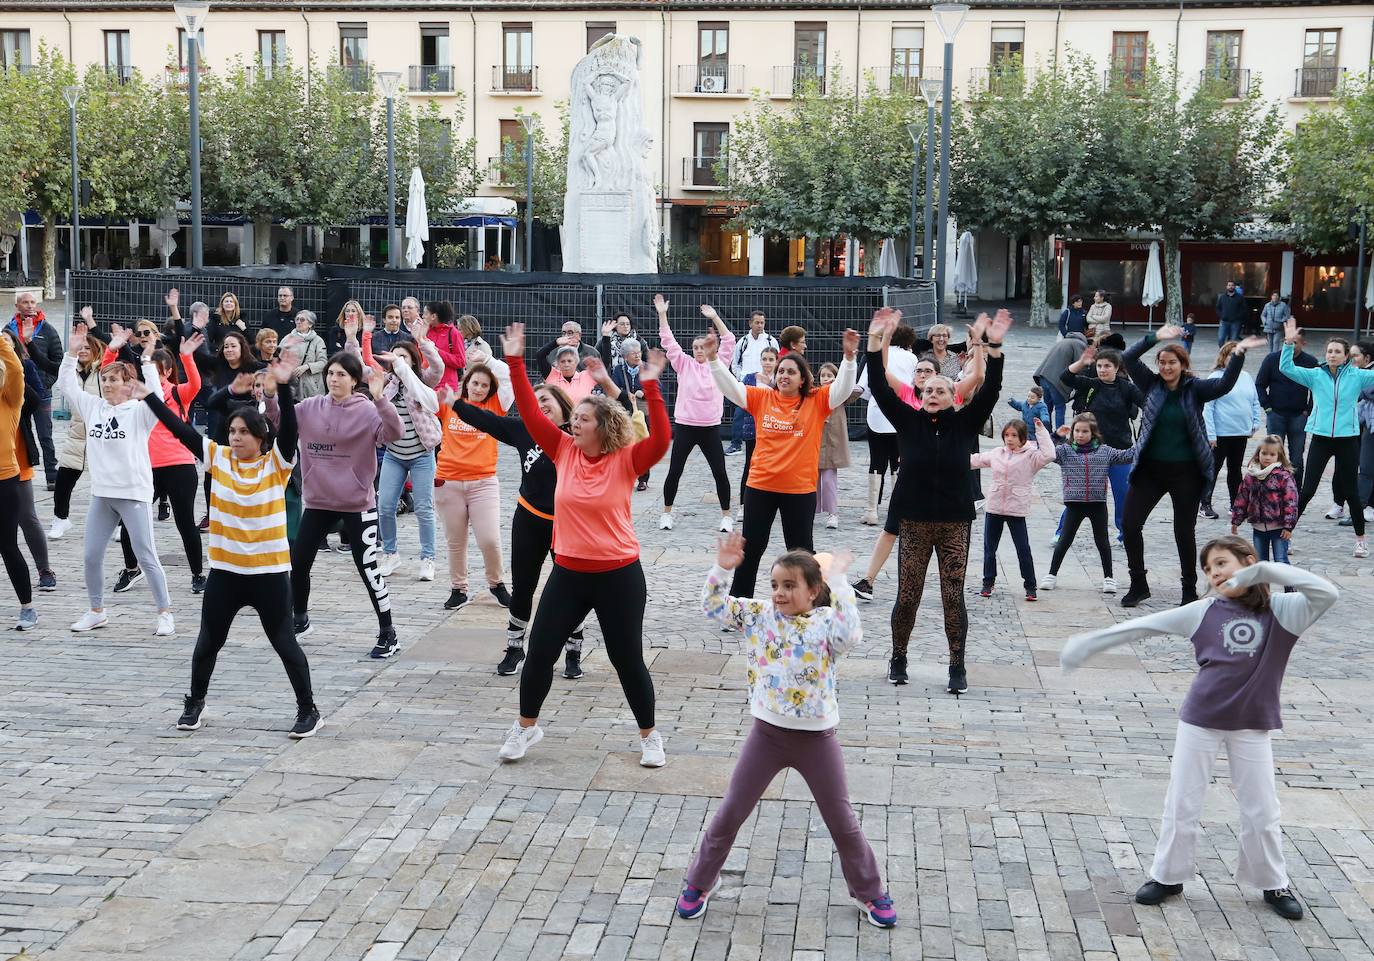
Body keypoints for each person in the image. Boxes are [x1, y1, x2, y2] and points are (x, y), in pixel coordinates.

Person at [1061, 536, 1338, 922]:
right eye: (1208, 569)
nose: (1215, 573)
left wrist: (1266, 572)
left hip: (1252, 724)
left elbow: (1327, 592)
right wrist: (1088, 643)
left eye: (1222, 563)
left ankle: (1273, 882)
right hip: (1200, 720)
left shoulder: (1283, 610)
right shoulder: (1204, 610)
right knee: (1182, 802)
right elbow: (1143, 626)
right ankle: (1167, 876)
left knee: (1262, 808)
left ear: (1248, 561)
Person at [681, 539, 895, 929]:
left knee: (842, 821)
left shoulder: (829, 622)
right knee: (731, 812)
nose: (779, 593)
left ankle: (870, 891)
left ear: (813, 591)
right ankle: (698, 882)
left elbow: (853, 636)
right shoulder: (760, 614)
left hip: (817, 740)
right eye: (775, 584)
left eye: (790, 585)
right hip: (767, 736)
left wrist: (842, 582)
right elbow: (713, 607)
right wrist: (722, 568)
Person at [494, 321, 671, 768]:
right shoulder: (563, 450)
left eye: (583, 419)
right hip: (569, 573)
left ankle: (650, 737)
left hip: (619, 575)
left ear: (603, 426)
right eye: (574, 418)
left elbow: (663, 440)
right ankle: (526, 728)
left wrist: (651, 389)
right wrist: (515, 361)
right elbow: (534, 415)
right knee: (540, 652)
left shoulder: (627, 459)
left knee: (626, 658)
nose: (574, 422)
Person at [134, 358, 320, 739]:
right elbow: (181, 430)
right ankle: (195, 702)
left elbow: (290, 433)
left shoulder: (277, 464)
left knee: (284, 642)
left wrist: (283, 387)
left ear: (260, 437)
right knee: (207, 643)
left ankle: (308, 710)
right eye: (232, 431)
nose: (235, 437)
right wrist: (150, 397)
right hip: (226, 574)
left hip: (268, 575)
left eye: (243, 432)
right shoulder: (217, 459)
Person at [865, 307, 1008, 692]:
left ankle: (956, 666)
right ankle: (898, 657)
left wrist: (993, 346)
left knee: (952, 596)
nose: (931, 394)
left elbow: (991, 388)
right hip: (912, 521)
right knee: (908, 593)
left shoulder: (964, 423)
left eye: (939, 391)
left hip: (953, 522)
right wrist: (875, 339)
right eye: (927, 390)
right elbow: (879, 386)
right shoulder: (908, 421)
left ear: (952, 396)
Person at [444, 380, 590, 679]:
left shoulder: (577, 434)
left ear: (563, 403)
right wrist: (455, 403)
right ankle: (514, 646)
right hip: (529, 519)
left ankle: (574, 651)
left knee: (572, 590)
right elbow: (489, 421)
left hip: (568, 524)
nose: (541, 404)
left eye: (546, 399)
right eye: (536, 401)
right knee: (524, 586)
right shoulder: (527, 430)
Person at [1118, 325, 1267, 608]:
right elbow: (1127, 357)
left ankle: (1188, 588)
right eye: (1162, 363)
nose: (1166, 367)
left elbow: (1224, 385)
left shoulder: (1194, 389)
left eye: (1171, 362)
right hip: (1150, 470)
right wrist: (1156, 338)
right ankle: (1138, 583)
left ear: (1183, 365)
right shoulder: (1150, 384)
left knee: (1183, 530)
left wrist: (1237, 354)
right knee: (1130, 524)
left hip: (1186, 473)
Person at [709, 322, 858, 598]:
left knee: (801, 553)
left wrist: (849, 360)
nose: (784, 375)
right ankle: (741, 606)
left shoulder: (816, 401)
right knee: (750, 549)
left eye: (791, 371)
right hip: (760, 487)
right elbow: (731, 388)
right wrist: (714, 360)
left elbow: (842, 389)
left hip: (799, 491)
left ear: (803, 379)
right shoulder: (762, 398)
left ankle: (810, 607)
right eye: (780, 371)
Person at [58, 327, 175, 636]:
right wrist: (71, 353)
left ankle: (164, 613)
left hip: (133, 493)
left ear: (127, 385)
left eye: (114, 380)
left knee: (146, 555)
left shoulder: (139, 412)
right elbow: (67, 385)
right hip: (102, 495)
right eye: (104, 379)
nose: (107, 384)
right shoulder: (93, 407)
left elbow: (159, 399)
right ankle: (96, 611)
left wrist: (147, 360)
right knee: (90, 556)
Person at [290, 350, 404, 656]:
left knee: (368, 569)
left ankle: (388, 632)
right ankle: (299, 619)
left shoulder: (366, 410)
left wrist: (381, 400)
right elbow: (280, 421)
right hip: (318, 501)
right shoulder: (310, 407)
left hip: (356, 503)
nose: (334, 379)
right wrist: (274, 393)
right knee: (298, 563)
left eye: (341, 374)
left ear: (354, 381)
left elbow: (394, 433)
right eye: (330, 373)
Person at [109, 329, 208, 595]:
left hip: (179, 465)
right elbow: (107, 379)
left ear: (167, 371)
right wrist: (113, 349)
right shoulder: (137, 394)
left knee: (185, 522)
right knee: (129, 521)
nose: (156, 372)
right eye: (151, 365)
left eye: (160, 368)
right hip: (146, 467)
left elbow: (196, 385)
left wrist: (187, 358)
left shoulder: (178, 393)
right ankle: (132, 569)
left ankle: (198, 574)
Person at [350, 335, 444, 585]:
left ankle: (428, 558)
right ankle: (390, 554)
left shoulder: (421, 382)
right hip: (394, 455)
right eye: (395, 355)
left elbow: (436, 371)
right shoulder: (387, 383)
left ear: (413, 361)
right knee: (386, 506)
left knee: (424, 509)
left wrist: (419, 346)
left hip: (422, 455)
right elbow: (359, 368)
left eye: (404, 356)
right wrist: (353, 338)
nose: (398, 360)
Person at [1278, 316, 1374, 556]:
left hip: (1348, 439)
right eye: (1329, 351)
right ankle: (1286, 537)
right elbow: (1286, 368)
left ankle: (1361, 540)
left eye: (1337, 351)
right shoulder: (1315, 375)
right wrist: (1288, 344)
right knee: (1307, 490)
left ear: (1346, 356)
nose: (1332, 354)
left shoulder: (1357, 375)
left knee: (1351, 491)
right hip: (1321, 438)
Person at [432, 355, 515, 611]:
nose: (479, 389)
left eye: (484, 385)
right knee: (455, 541)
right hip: (449, 482)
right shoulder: (450, 404)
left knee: (489, 538)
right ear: (466, 383)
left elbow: (507, 377)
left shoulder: (495, 409)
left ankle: (496, 583)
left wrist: (487, 358)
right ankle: (459, 588)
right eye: (475, 383)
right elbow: (421, 389)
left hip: (483, 483)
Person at [658, 297, 737, 533]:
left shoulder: (718, 364)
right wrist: (663, 313)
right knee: (675, 471)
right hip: (685, 426)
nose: (699, 351)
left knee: (720, 472)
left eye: (703, 347)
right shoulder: (684, 364)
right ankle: (667, 513)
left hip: (710, 427)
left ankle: (726, 517)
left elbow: (730, 340)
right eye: (696, 348)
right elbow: (668, 341)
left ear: (709, 348)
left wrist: (714, 317)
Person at [1040, 414, 1137, 595]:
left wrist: (1145, 440)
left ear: (1093, 433)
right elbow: (1046, 452)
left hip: (1097, 504)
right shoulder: (1065, 451)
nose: (1080, 434)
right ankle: (1051, 575)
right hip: (1074, 505)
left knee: (1102, 542)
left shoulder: (1105, 451)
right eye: (1077, 430)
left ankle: (1109, 578)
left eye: (1085, 431)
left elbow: (1127, 456)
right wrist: (1055, 436)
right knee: (1064, 540)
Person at [1058, 345, 1143, 544]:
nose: (1102, 370)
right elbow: (1066, 377)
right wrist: (1081, 363)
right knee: (1079, 494)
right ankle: (1062, 530)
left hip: (1120, 449)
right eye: (1099, 366)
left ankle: (1124, 533)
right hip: (1092, 450)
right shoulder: (1092, 384)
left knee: (1123, 494)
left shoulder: (1126, 387)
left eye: (1107, 366)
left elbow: (1148, 403)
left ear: (1116, 367)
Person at [972, 419, 1056, 601]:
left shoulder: (1031, 457)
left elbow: (1049, 454)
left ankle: (1030, 585)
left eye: (1014, 436)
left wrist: (1041, 430)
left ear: (1023, 438)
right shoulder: (997, 453)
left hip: (1016, 509)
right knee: (989, 549)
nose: (1009, 439)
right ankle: (988, 582)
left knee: (1023, 549)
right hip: (994, 507)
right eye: (1007, 435)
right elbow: (974, 460)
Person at [2, 331, 55, 594]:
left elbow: (35, 401)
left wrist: (15, 375)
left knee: (27, 517)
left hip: (16, 460)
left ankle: (44, 569)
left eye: (8, 343)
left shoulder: (20, 376)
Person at [857, 323, 918, 526]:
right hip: (902, 415)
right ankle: (897, 510)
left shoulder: (873, 357)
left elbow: (865, 389)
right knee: (899, 462)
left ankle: (871, 511)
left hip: (877, 413)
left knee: (877, 461)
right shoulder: (911, 358)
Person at [50, 328, 108, 540]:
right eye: (80, 347)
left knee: (108, 483)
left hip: (102, 436)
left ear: (96, 350)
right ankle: (60, 518)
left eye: (87, 347)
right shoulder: (71, 371)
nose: (83, 351)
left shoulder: (103, 371)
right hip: (77, 435)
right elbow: (63, 383)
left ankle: (119, 524)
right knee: (64, 481)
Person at [7, 291, 62, 490]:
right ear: (17, 306)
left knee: (45, 435)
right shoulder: (9, 330)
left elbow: (57, 361)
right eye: (25, 302)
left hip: (41, 393)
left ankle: (51, 475)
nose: (30, 305)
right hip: (15, 393)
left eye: (33, 302)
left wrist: (45, 382)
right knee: (17, 434)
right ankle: (16, 472)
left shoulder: (47, 330)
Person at [1201, 342, 1262, 519]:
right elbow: (1208, 408)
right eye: (1230, 355)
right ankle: (1204, 504)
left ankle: (1236, 504)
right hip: (1220, 434)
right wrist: (1211, 434)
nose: (1233, 359)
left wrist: (1255, 423)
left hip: (1240, 432)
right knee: (1213, 468)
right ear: (1223, 356)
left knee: (1235, 469)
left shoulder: (1246, 376)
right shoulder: (1215, 376)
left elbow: (1254, 401)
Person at [0, 332, 36, 629]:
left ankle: (27, 607)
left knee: (7, 545)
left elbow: (16, 370)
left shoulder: (10, 400)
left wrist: (1, 342)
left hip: (5, 480)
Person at [1255, 331, 1316, 491]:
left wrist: (1308, 410)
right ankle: (1270, 488)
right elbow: (1260, 384)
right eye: (1290, 342)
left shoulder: (1310, 361)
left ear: (1304, 344)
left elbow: (1317, 387)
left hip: (1299, 416)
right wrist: (1267, 407)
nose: (1293, 346)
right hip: (1276, 415)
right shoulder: (1272, 359)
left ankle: (1294, 490)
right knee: (1271, 455)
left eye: (1297, 342)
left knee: (1296, 457)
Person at [1230, 436, 1299, 564]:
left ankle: (1289, 584)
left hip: (1278, 527)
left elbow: (1291, 502)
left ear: (1279, 456)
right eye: (1264, 453)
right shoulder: (1251, 476)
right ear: (1258, 454)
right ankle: (1263, 585)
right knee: (1261, 562)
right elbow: (1242, 499)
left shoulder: (1283, 476)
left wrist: (1288, 526)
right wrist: (1236, 520)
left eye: (1272, 454)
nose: (1267, 457)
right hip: (1258, 527)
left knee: (1281, 560)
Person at [599, 335, 650, 490]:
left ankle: (643, 478)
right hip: (624, 411)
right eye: (634, 353)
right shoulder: (618, 370)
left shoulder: (647, 368)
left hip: (642, 412)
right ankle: (624, 475)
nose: (637, 355)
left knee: (642, 444)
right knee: (623, 444)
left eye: (639, 352)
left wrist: (644, 391)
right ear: (626, 355)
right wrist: (624, 393)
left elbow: (658, 389)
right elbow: (612, 389)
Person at [816, 362, 859, 530]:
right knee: (812, 479)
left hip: (833, 441)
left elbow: (855, 390)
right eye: (823, 376)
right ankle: (811, 509)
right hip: (817, 440)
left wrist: (841, 383)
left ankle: (832, 513)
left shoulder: (840, 394)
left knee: (828, 479)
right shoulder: (815, 394)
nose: (826, 379)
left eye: (830, 376)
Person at [727, 311, 778, 454]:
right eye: (757, 322)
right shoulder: (742, 342)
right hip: (747, 384)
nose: (760, 325)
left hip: (766, 384)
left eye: (762, 322)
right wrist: (741, 378)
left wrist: (770, 379)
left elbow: (777, 361)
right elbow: (735, 363)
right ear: (750, 323)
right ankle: (736, 444)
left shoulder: (770, 341)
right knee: (739, 414)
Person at [735, 346, 777, 510]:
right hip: (753, 428)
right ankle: (743, 505)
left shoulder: (779, 380)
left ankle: (770, 504)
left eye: (771, 359)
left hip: (774, 430)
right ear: (760, 361)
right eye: (765, 359)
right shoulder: (750, 378)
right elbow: (742, 399)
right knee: (750, 466)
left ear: (776, 361)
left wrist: (772, 385)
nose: (767, 363)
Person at [1033, 329, 1089, 431]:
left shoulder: (1063, 341)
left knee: (1047, 408)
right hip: (1055, 379)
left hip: (1044, 376)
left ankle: (1046, 432)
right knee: (1059, 406)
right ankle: (1060, 434)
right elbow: (1081, 366)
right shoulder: (1079, 344)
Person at [278, 310, 328, 398]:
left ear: (310, 324)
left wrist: (307, 366)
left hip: (312, 387)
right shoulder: (287, 339)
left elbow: (323, 363)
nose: (298, 322)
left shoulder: (317, 340)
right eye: (297, 319)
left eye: (302, 320)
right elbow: (279, 360)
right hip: (292, 385)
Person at [1216, 280, 1248, 346]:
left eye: (1232, 285)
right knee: (1220, 338)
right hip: (1224, 322)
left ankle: (1230, 354)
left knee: (1233, 341)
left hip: (1235, 322)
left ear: (1235, 287)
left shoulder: (1240, 297)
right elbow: (1218, 308)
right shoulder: (1222, 297)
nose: (1230, 287)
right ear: (1226, 287)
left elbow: (1244, 309)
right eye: (1229, 285)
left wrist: (1238, 317)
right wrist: (1221, 316)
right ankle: (1223, 352)